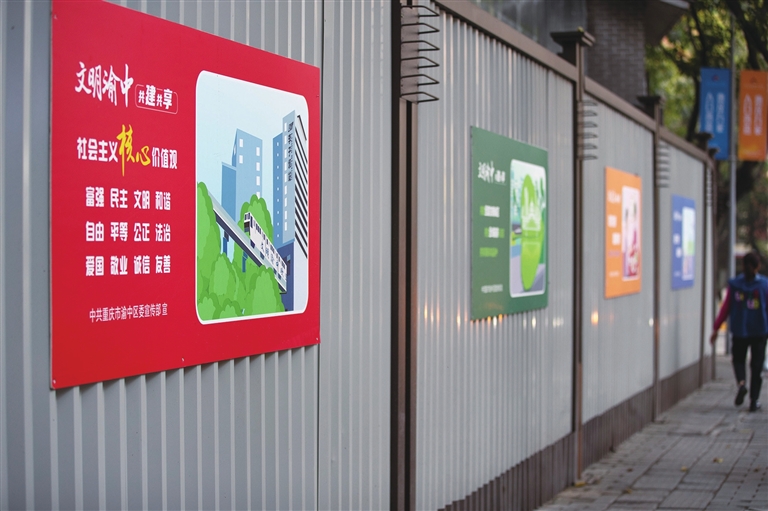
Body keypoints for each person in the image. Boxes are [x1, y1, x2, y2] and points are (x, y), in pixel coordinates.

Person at [710, 251, 768, 412]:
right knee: (757, 366)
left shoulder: (735, 285)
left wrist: (716, 328)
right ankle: (754, 400)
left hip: (740, 330)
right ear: (758, 266)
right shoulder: (764, 285)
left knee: (738, 360)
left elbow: (726, 308)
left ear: (743, 266)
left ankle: (742, 383)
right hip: (760, 331)